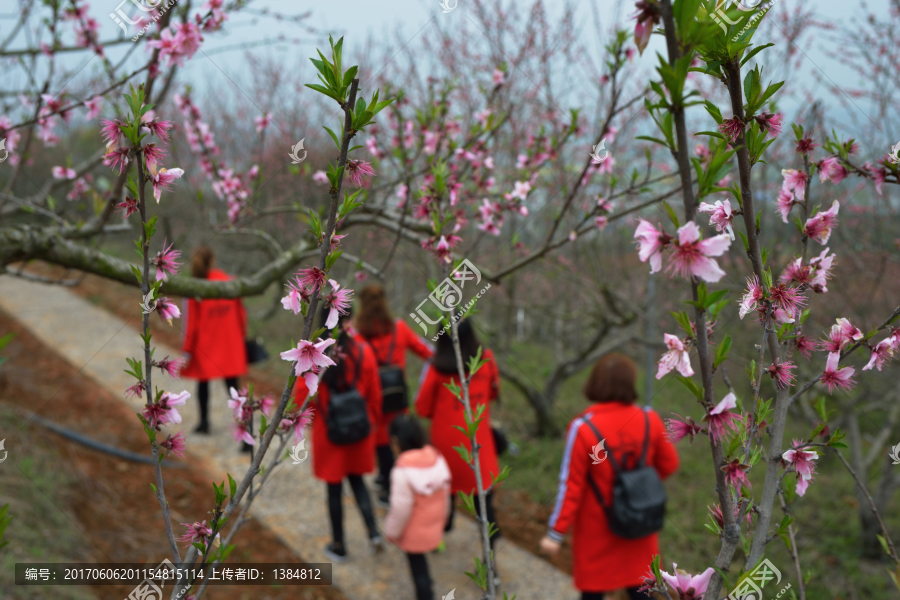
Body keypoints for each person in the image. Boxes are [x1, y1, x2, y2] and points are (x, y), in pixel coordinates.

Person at [539, 353, 680, 600]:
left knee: (593, 594)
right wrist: (639, 485)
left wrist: (555, 533)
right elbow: (670, 464)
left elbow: (571, 486)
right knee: (642, 591)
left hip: (597, 531)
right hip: (639, 524)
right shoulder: (649, 418)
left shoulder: (583, 427)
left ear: (595, 383)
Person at [293, 307, 384, 562]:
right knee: (358, 483)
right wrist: (371, 424)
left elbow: (302, 398)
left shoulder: (312, 357)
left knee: (334, 490)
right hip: (359, 428)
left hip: (329, 431)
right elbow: (375, 394)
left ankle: (339, 545)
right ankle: (374, 534)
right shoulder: (364, 352)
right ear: (349, 321)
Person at [414, 319, 503, 580]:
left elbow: (422, 407)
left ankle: (441, 531)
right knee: (486, 509)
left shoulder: (435, 367)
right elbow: (494, 392)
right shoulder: (486, 358)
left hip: (446, 449)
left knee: (443, 495)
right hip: (478, 448)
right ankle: (491, 566)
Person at [356, 285, 434, 506]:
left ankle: (389, 488)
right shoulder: (400, 328)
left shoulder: (359, 337)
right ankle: (394, 483)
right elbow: (425, 351)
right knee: (400, 442)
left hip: (375, 403)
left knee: (383, 446)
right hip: (398, 400)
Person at [180, 247, 248, 435]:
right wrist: (241, 339)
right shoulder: (230, 282)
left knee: (203, 385)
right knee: (234, 389)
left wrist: (186, 351)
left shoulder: (195, 288)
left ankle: (204, 423)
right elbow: (242, 316)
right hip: (229, 345)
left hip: (205, 346)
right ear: (213, 260)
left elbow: (190, 325)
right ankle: (245, 432)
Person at [383, 414, 451, 600]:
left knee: (417, 568)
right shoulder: (437, 458)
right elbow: (446, 495)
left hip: (414, 531)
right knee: (421, 565)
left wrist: (391, 532)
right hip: (433, 523)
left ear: (395, 441)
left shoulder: (402, 472)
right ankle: (428, 588)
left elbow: (400, 509)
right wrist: (443, 521)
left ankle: (426, 594)